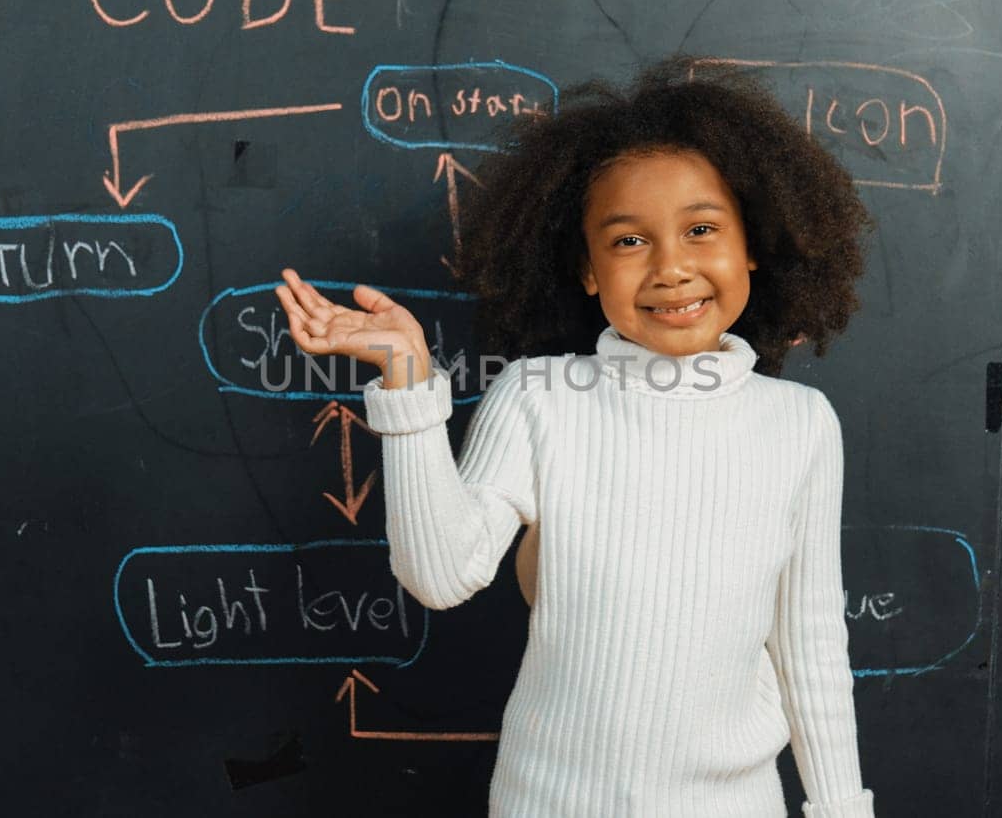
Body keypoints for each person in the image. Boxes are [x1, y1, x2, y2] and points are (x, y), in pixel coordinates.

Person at [274, 55, 875, 817]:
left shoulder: (800, 425)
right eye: (628, 242)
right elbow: (441, 574)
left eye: (701, 230)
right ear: (588, 269)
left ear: (751, 244)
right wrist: (407, 379)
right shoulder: (539, 399)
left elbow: (811, 647)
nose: (671, 268)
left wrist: (841, 810)